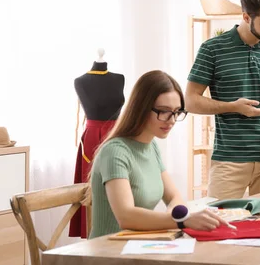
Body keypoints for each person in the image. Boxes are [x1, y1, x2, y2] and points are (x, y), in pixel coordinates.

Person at [186, 0, 260, 200]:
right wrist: (232, 107)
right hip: (230, 159)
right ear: (246, 17)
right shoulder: (212, 49)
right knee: (218, 224)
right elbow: (190, 101)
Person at [88, 70, 229, 238]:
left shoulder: (151, 145)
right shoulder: (114, 152)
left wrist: (178, 216)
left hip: (138, 244)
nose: (172, 120)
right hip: (107, 251)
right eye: (164, 111)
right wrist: (183, 220)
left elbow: (174, 197)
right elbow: (126, 217)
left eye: (177, 111)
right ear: (141, 108)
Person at [69, 54, 125, 238]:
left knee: (121, 183)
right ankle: (92, 234)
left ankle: (121, 229)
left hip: (118, 135)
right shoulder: (80, 81)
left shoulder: (119, 78)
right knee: (93, 188)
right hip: (93, 139)